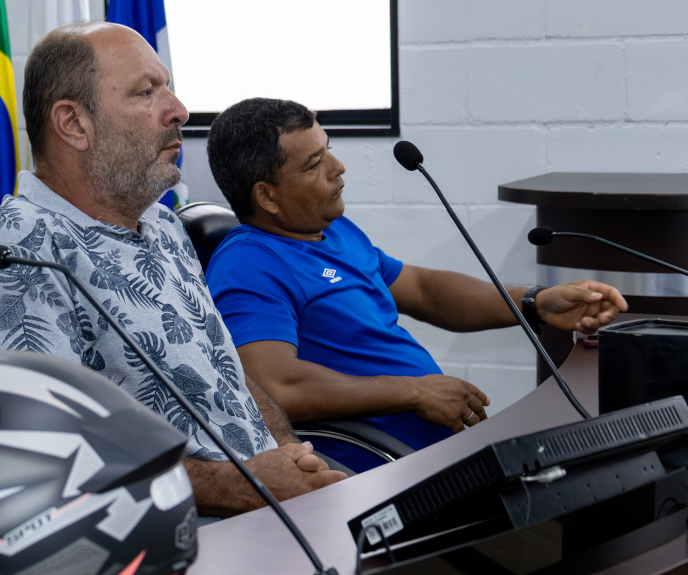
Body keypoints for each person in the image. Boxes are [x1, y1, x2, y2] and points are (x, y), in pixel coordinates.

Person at [0, 23, 345, 518]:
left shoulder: (160, 223)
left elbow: (223, 374)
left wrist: (292, 457)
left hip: (266, 508)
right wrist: (245, 487)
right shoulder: (19, 252)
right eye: (145, 92)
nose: (178, 110)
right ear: (73, 124)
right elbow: (54, 454)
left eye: (168, 86)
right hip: (173, 544)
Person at [205, 97, 628, 474]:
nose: (339, 168)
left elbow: (425, 291)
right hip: (379, 466)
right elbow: (274, 385)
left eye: (329, 149)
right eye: (315, 164)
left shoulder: (332, 231)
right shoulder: (249, 264)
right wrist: (412, 390)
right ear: (267, 197)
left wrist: (536, 302)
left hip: (435, 451)